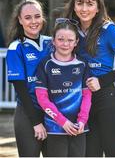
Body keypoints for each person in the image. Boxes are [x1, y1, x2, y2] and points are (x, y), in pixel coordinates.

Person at [64, 0, 115, 157]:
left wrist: (101, 81)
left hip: (108, 100)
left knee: (113, 154)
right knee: (90, 154)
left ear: (98, 7)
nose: (84, 8)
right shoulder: (69, 30)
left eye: (90, 4)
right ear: (74, 5)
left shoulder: (108, 29)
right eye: (80, 3)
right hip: (83, 103)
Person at [35, 19, 92, 157]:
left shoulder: (82, 64)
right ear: (53, 41)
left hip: (79, 127)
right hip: (55, 128)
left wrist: (82, 121)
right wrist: (63, 122)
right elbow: (42, 99)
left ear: (76, 42)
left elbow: (87, 95)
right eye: (60, 39)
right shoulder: (45, 64)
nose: (65, 44)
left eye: (70, 40)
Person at [6, 0, 53, 157]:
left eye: (37, 16)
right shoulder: (16, 47)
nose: (34, 21)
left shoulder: (52, 43)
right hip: (28, 115)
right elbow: (21, 90)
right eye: (27, 17)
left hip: (53, 115)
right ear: (19, 20)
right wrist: (36, 122)